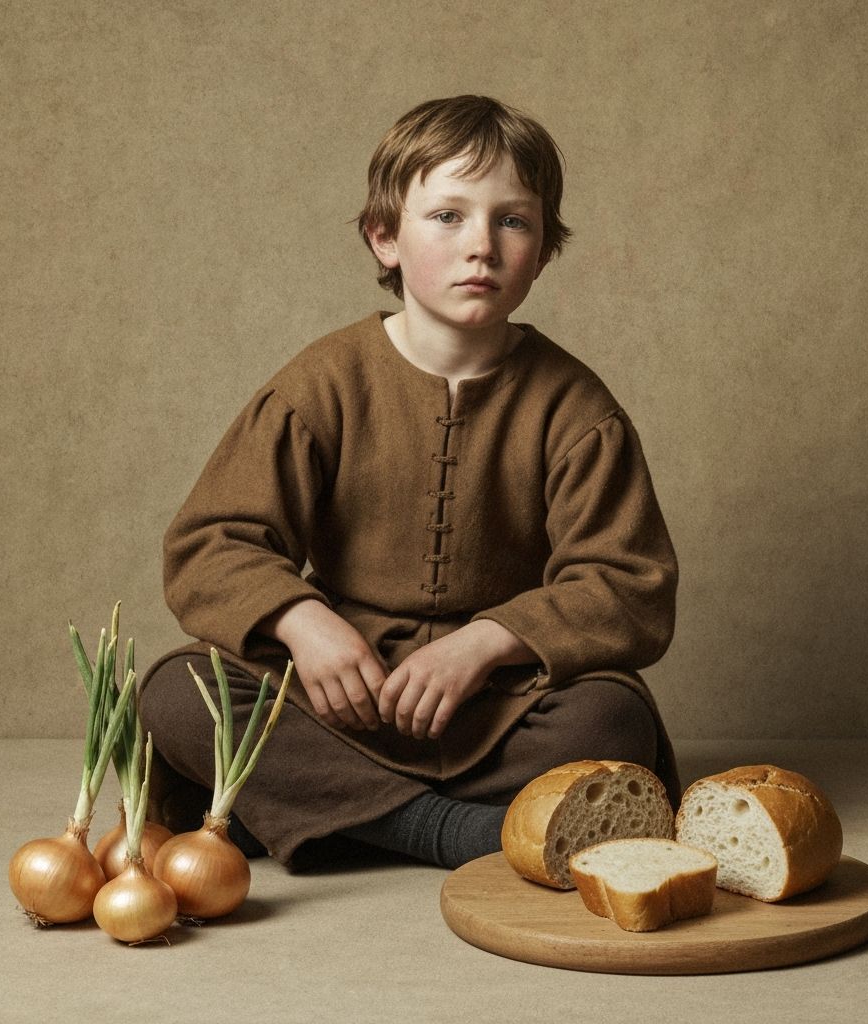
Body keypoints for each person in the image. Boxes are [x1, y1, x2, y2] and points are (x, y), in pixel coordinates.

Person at [139, 94, 680, 871]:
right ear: (385, 237)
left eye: (513, 221)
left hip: (493, 705)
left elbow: (630, 584)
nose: (482, 248)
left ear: (545, 246)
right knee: (176, 693)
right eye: (448, 217)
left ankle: (322, 813)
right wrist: (301, 622)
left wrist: (488, 643)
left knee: (610, 719)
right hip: (335, 698)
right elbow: (209, 544)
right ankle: (451, 832)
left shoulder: (577, 409)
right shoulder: (319, 384)